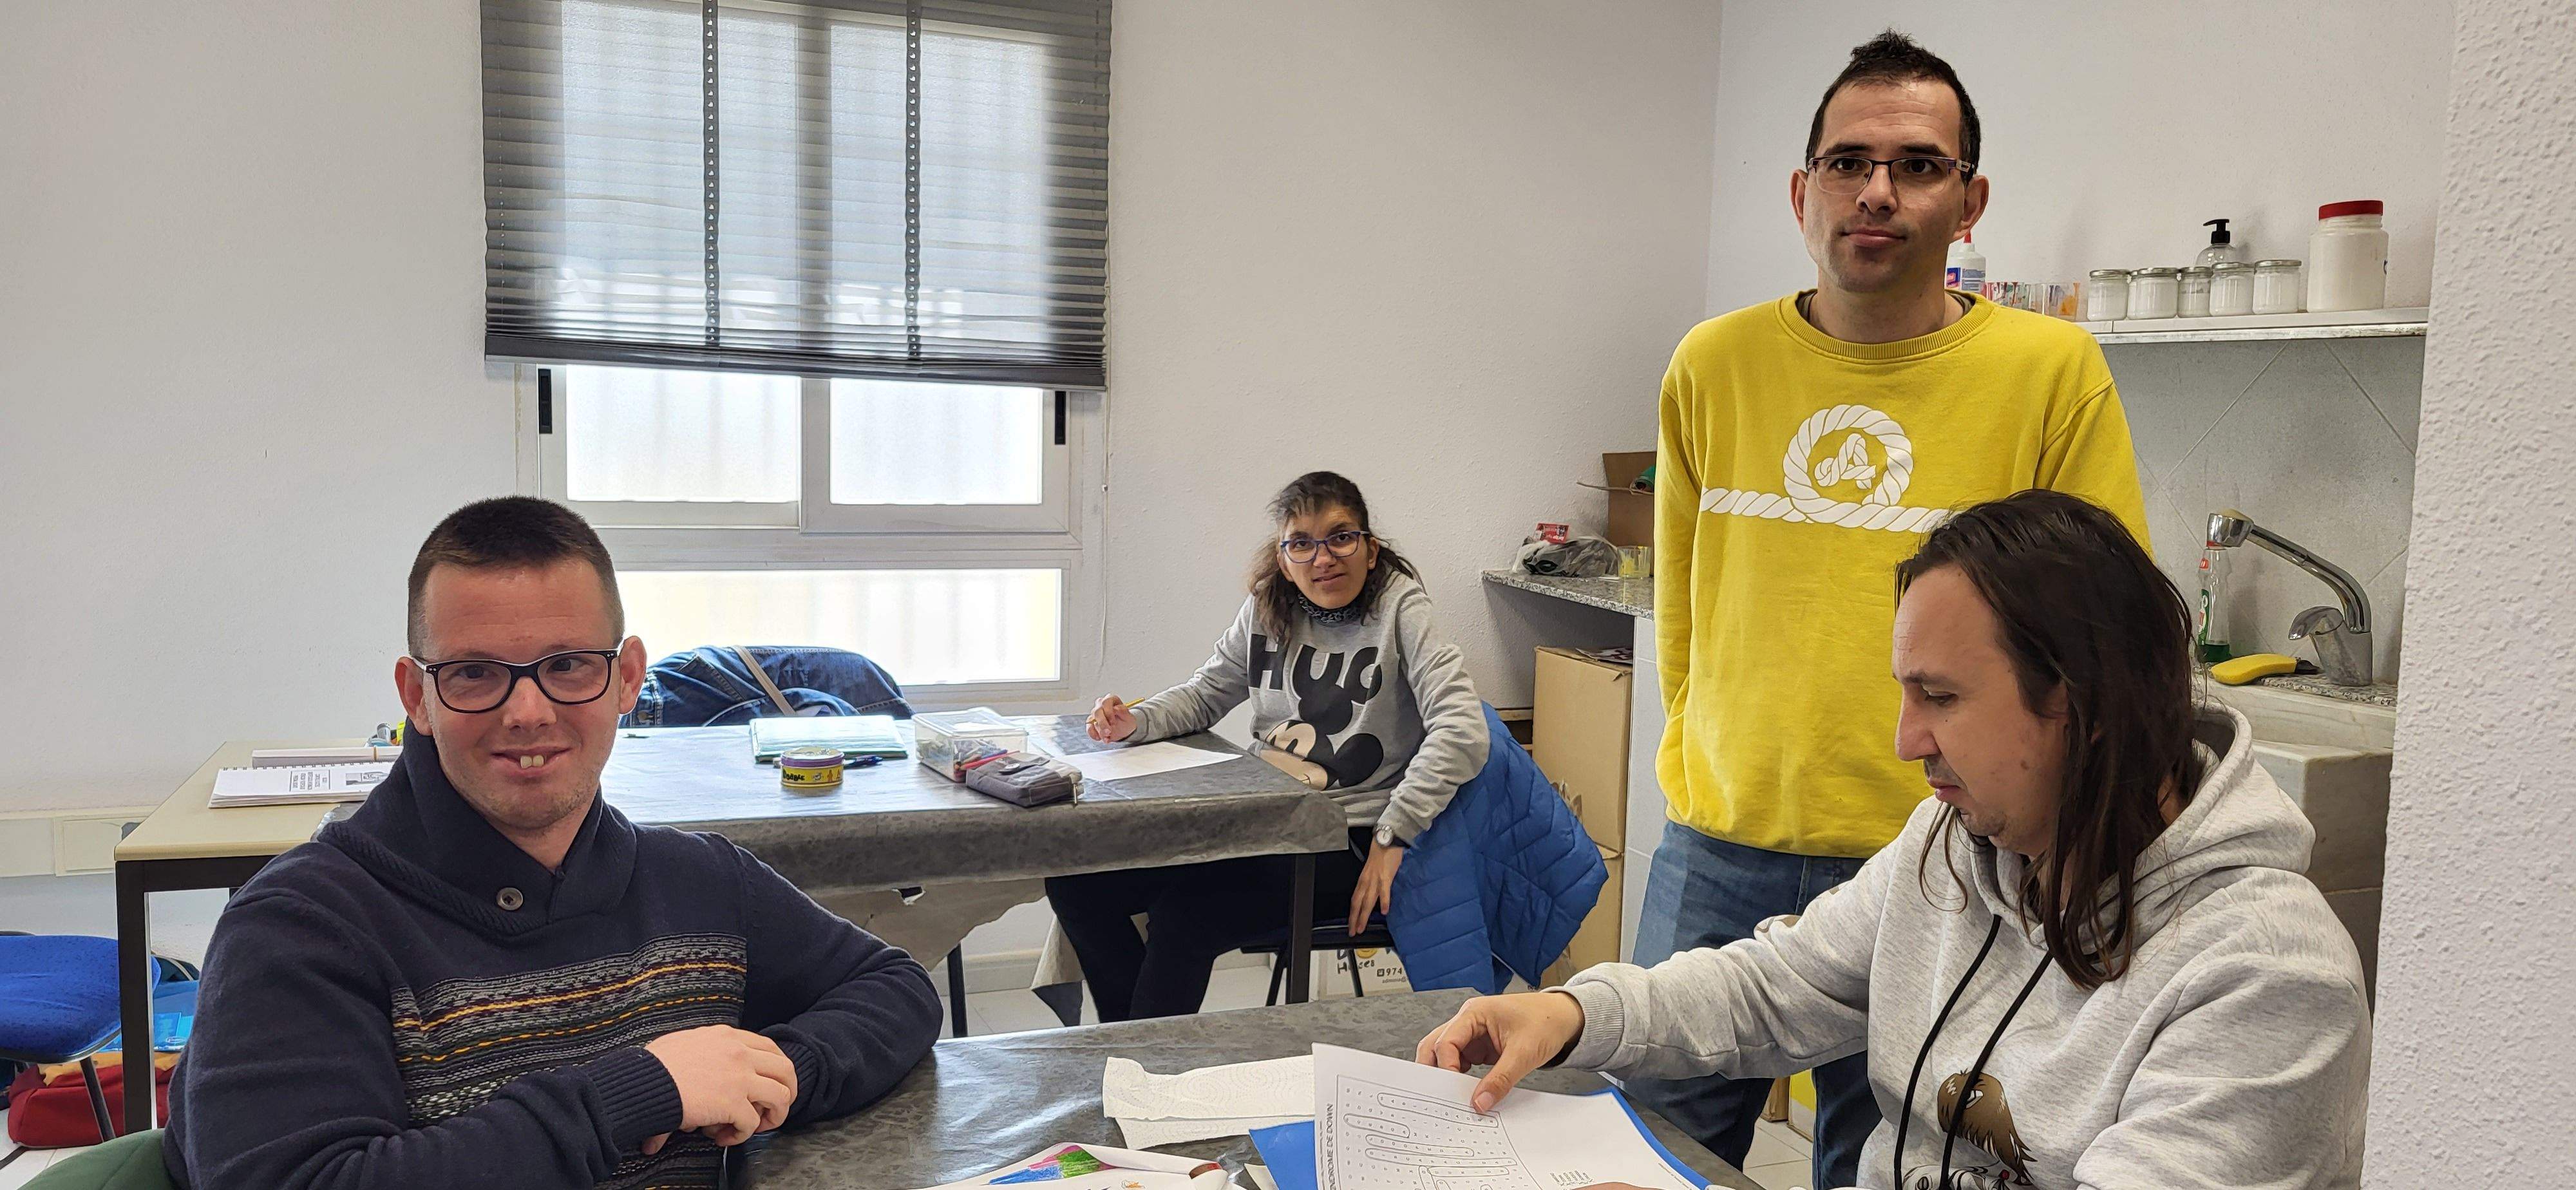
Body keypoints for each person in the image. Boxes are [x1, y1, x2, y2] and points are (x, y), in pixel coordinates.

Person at [1418, 491, 2371, 1190]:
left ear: (2085, 705)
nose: (1907, 741)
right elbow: (1776, 987)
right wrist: (1573, 1015)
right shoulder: (1952, 846)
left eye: (1941, 698)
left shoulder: (2266, 979)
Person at [1640, 30, 2150, 1185]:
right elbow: (1683, 606)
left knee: (1886, 1163)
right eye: (1848, 162)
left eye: (1918, 165)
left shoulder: (2050, 372)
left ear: (1970, 201)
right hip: (1718, 841)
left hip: (1944, 855)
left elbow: (2100, 632)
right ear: (1801, 192)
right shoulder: (1711, 365)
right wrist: (1704, 759)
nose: (1877, 191)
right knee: (1654, 1147)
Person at [164, 498, 943, 1189]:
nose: (529, 712)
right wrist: (634, 1095)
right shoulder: (302, 926)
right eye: (475, 673)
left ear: (628, 678)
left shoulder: (700, 883)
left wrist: (777, 1073)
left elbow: (894, 989)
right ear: (417, 697)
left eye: (568, 666)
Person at [1047, 471, 1488, 1021]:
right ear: (1284, 558)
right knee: (1078, 881)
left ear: (1370, 549)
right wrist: (1134, 722)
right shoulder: (1267, 606)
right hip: (1259, 821)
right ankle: (1130, 1043)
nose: (1322, 558)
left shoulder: (1402, 608)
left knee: (1187, 915)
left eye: (1340, 537)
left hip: (1344, 836)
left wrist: (1392, 834)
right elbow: (1206, 694)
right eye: (1301, 543)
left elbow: (1463, 729)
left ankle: (1142, 1057)